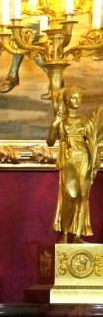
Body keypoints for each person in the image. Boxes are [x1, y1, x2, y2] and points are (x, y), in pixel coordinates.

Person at [47, 86, 99, 240]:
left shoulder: (85, 121)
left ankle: (77, 235)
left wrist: (95, 164)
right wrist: (54, 125)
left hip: (84, 158)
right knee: (71, 193)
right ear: (66, 99)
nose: (77, 100)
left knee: (83, 196)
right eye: (73, 97)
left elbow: (93, 144)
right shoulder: (62, 120)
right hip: (68, 158)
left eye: (79, 97)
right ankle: (64, 234)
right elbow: (50, 142)